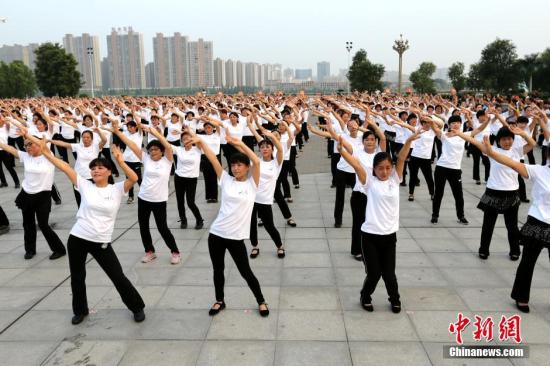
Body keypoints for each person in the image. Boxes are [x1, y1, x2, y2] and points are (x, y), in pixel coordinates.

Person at [37, 137, 145, 324]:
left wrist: (120, 160)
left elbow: (134, 178)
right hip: (78, 237)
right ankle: (80, 310)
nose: (96, 170)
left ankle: (137, 307)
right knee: (77, 277)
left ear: (109, 172)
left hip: (101, 240)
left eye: (101, 167)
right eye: (93, 168)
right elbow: (65, 167)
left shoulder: (117, 189)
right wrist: (46, 152)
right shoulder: (84, 185)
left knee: (117, 276)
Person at [337, 131, 420, 313]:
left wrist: (407, 141)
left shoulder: (395, 180)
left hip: (389, 237)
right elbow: (357, 165)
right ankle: (365, 296)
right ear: (374, 169)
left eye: (387, 168)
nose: (384, 171)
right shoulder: (369, 183)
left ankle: (395, 299)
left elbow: (402, 158)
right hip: (369, 237)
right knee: (374, 274)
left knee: (389, 275)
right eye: (380, 168)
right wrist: (341, 151)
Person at [190, 131, 269, 317]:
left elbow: (256, 162)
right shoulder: (225, 180)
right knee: (218, 270)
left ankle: (261, 300)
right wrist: (201, 141)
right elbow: (212, 157)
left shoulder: (251, 184)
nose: (235, 168)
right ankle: (220, 300)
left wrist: (239, 143)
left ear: (246, 167)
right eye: (233, 165)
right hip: (216, 234)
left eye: (239, 165)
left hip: (235, 238)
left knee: (246, 272)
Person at [482, 126, 550, 313]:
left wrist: (525, 133)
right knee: (528, 262)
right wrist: (490, 152)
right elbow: (510, 163)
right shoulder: (538, 171)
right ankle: (521, 297)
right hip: (538, 222)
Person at [457, 125, 536, 260]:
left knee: (512, 226)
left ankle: (515, 251)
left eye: (510, 139)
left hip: (511, 194)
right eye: (504, 139)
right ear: (498, 141)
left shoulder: (517, 151)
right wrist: (458, 133)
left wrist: (523, 133)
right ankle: (483, 250)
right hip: (493, 193)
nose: (507, 142)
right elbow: (474, 141)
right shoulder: (491, 150)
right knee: (488, 225)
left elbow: (532, 143)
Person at [112, 124, 181, 265]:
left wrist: (154, 131)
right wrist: (117, 132)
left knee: (162, 228)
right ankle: (149, 251)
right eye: (150, 149)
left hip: (159, 200)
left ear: (161, 151)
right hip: (144, 198)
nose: (153, 151)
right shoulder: (146, 158)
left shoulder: (167, 160)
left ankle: (175, 252)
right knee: (143, 227)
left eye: (156, 149)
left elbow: (168, 146)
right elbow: (130, 144)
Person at [0, 128, 66, 260]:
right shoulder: (25, 156)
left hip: (43, 196)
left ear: (38, 144)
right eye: (25, 145)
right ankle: (30, 250)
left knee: (43, 225)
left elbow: (42, 144)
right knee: (28, 224)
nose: (27, 147)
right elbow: (9, 148)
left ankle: (59, 249)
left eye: (30, 144)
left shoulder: (48, 156)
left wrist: (27, 135)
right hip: (27, 194)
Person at [430, 115, 488, 225]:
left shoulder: (465, 135)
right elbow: (434, 128)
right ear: (450, 125)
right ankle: (435, 215)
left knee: (458, 195)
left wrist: (488, 120)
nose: (456, 124)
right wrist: (430, 120)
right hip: (442, 167)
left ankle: (461, 216)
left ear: (461, 124)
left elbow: (480, 129)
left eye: (458, 122)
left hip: (455, 169)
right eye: (453, 123)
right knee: (438, 193)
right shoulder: (444, 135)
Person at [244, 116, 286, 259]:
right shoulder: (256, 161)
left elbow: (280, 149)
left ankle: (279, 246)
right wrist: (250, 126)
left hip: (265, 200)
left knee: (269, 226)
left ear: (271, 148)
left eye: (267, 147)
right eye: (262, 147)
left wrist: (271, 137)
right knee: (251, 225)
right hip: (251, 198)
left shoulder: (276, 163)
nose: (264, 149)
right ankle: (255, 246)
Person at [48, 128, 107, 207]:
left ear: (92, 139)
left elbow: (104, 140)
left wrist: (99, 131)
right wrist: (50, 141)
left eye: (88, 137)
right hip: (78, 177)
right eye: (84, 137)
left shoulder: (96, 147)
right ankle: (81, 216)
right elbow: (63, 144)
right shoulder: (78, 146)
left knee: (91, 199)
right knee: (79, 199)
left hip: (91, 177)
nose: (85, 139)